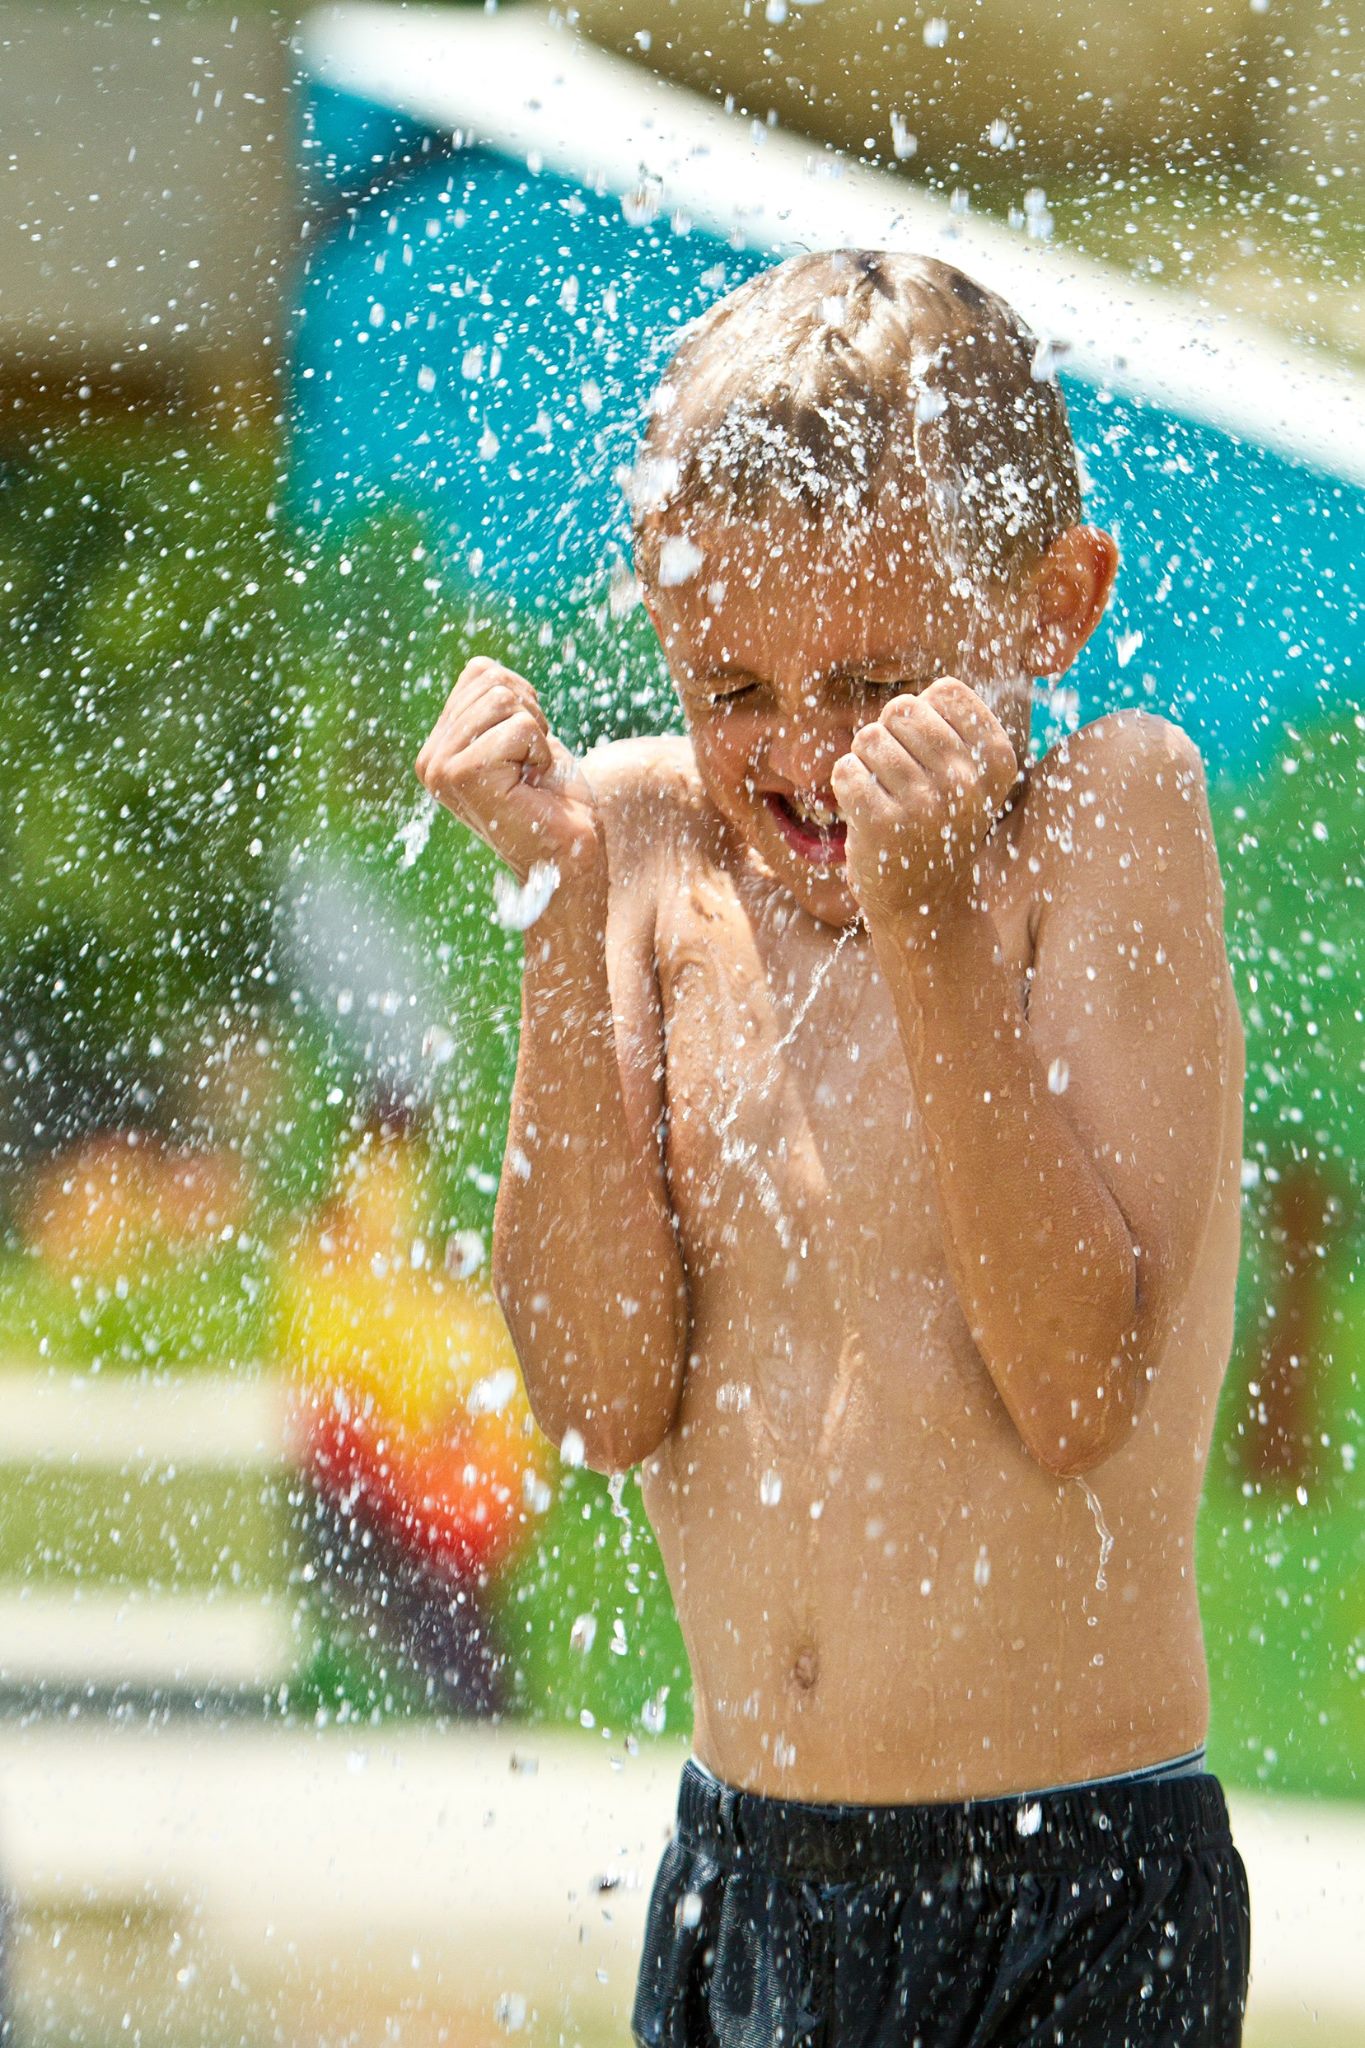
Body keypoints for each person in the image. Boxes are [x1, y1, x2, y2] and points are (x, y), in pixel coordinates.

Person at [415, 250, 1250, 2046]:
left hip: (1074, 1880)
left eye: (871, 683)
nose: (803, 755)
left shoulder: (1106, 824)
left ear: (1052, 603)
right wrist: (561, 911)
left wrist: (933, 930)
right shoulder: (637, 851)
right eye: (731, 689)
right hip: (749, 1878)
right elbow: (596, 1401)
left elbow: (1076, 1382)